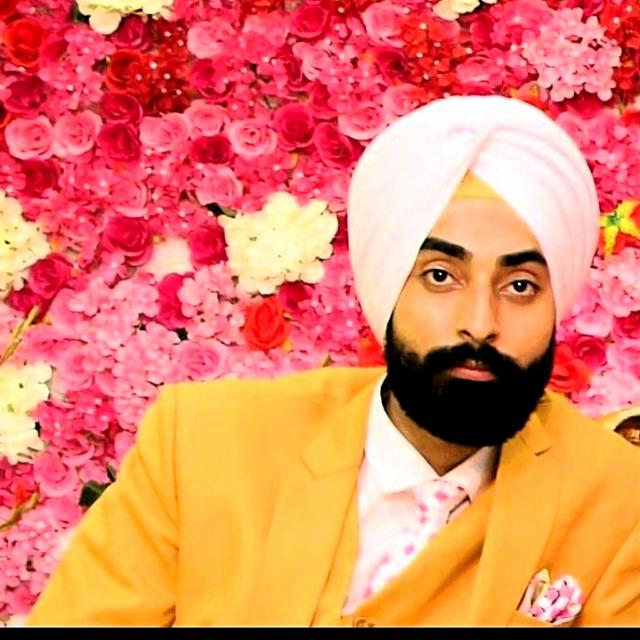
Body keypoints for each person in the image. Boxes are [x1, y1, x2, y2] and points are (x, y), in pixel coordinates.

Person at [26, 95, 640, 627]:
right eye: (439, 275)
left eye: (521, 286)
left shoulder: (618, 500)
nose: (480, 323)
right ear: (386, 285)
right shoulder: (204, 442)